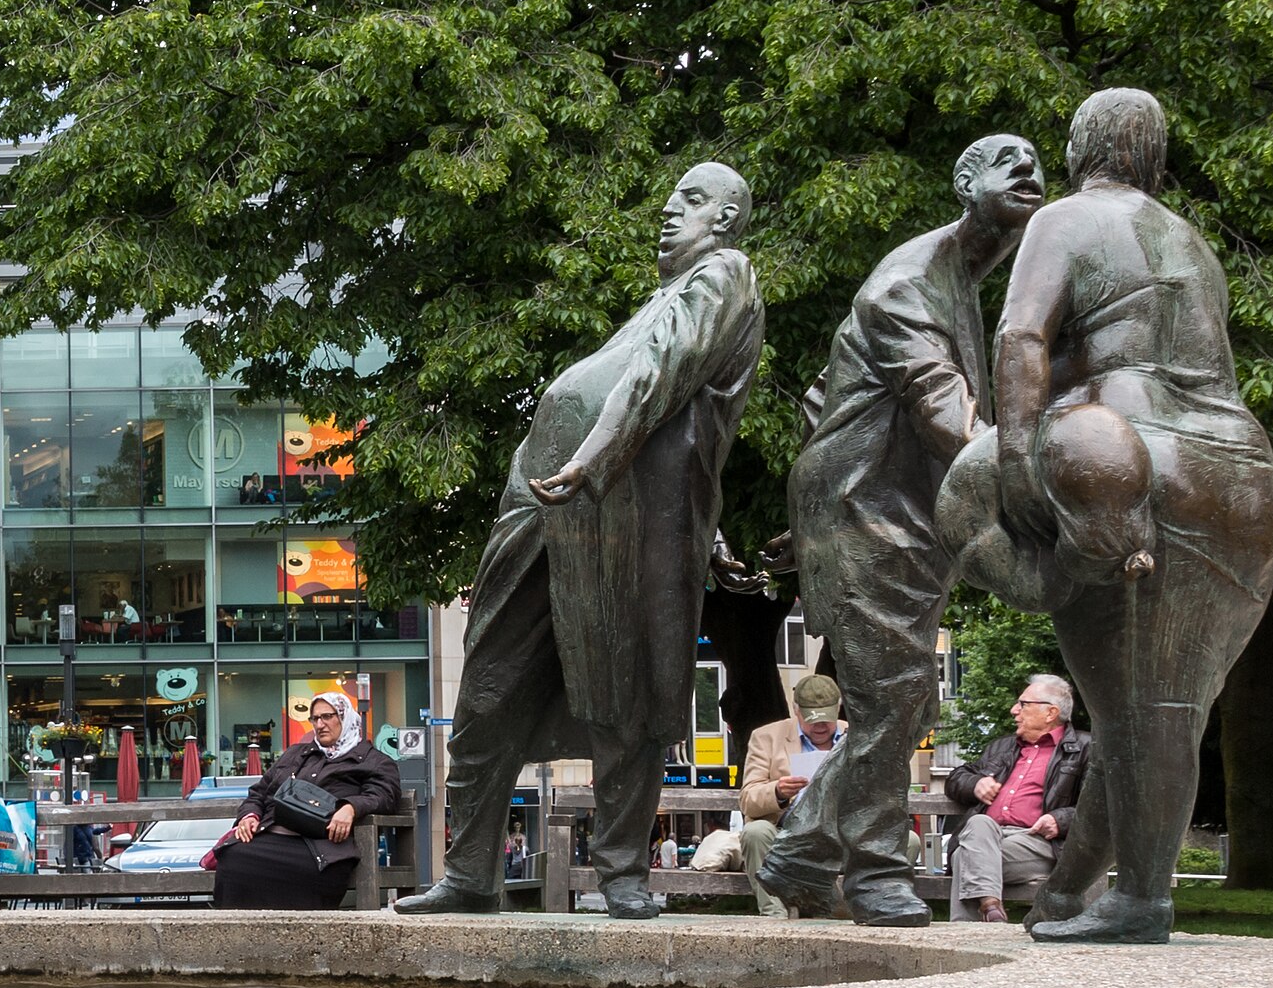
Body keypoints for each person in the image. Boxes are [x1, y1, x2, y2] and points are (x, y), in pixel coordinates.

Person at [941, 88, 1273, 942]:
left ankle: (1143, 903)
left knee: (1142, 709)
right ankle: (1073, 896)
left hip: (1128, 456)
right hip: (1239, 478)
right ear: (1154, 157)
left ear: (1080, 146)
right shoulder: (1191, 242)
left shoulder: (1065, 219)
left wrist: (1017, 460)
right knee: (1152, 708)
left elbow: (1022, 337)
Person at [398, 163, 764, 920]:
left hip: (609, 509)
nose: (669, 210)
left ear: (725, 222)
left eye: (691, 201)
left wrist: (592, 459)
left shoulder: (726, 274)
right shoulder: (663, 296)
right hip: (549, 503)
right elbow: (676, 419)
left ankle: (624, 872)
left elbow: (659, 378)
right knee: (488, 685)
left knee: (630, 694)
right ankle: (469, 873)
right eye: (671, 197)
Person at [763, 135, 1048, 925]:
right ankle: (877, 870)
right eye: (1006, 162)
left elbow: (826, 393)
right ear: (964, 182)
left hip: (893, 515)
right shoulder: (908, 284)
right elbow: (940, 405)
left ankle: (803, 850)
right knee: (895, 697)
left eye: (1037, 164)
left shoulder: (960, 279)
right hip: (867, 514)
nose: (1028, 172)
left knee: (909, 703)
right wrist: (1033, 470)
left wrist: (806, 505)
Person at [209, 689, 405, 909]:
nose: (320, 724)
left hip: (321, 846)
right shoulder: (296, 753)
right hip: (271, 835)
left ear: (344, 717)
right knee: (233, 856)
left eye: (328, 716)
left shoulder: (373, 760)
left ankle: (302, 938)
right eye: (315, 718)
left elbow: (385, 795)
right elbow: (259, 793)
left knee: (312, 871)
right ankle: (238, 935)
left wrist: (351, 807)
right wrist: (249, 816)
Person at [945, 674, 1094, 922]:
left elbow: (1100, 806)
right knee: (979, 825)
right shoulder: (1002, 747)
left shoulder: (1085, 748)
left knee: (964, 856)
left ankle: (968, 930)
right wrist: (975, 783)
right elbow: (956, 777)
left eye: (1023, 704)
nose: (1014, 710)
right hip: (987, 836)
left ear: (1050, 712)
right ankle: (990, 908)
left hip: (1039, 843)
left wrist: (1061, 819)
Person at [731, 674, 845, 920]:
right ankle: (775, 916)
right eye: (812, 719)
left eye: (827, 718)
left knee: (906, 840)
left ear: (838, 708)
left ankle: (852, 908)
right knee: (756, 832)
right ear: (797, 711)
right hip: (787, 833)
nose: (821, 726)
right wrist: (778, 792)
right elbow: (748, 798)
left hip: (840, 832)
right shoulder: (767, 737)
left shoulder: (856, 735)